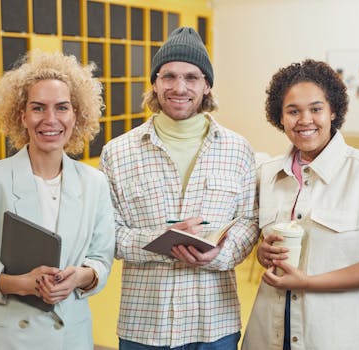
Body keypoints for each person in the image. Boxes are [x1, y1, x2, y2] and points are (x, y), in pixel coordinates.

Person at [100, 27, 259, 349]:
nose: (179, 87)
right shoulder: (118, 153)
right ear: (155, 83)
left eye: (191, 77)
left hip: (215, 325)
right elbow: (106, 233)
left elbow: (249, 222)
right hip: (144, 326)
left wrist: (220, 254)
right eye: (168, 76)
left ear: (207, 85)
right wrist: (160, 241)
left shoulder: (237, 149)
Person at [0, 51, 115, 349]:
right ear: (22, 116)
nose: (50, 120)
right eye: (38, 108)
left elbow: (101, 260)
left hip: (71, 336)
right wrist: (18, 284)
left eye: (62, 108)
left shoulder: (95, 184)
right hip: (7, 338)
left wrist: (81, 276)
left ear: (76, 115)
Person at [242, 59, 359, 350]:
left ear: (333, 111)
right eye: (293, 111)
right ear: (280, 117)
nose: (305, 120)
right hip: (271, 335)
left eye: (316, 109)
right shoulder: (267, 174)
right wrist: (263, 253)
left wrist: (308, 282)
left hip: (336, 337)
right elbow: (267, 248)